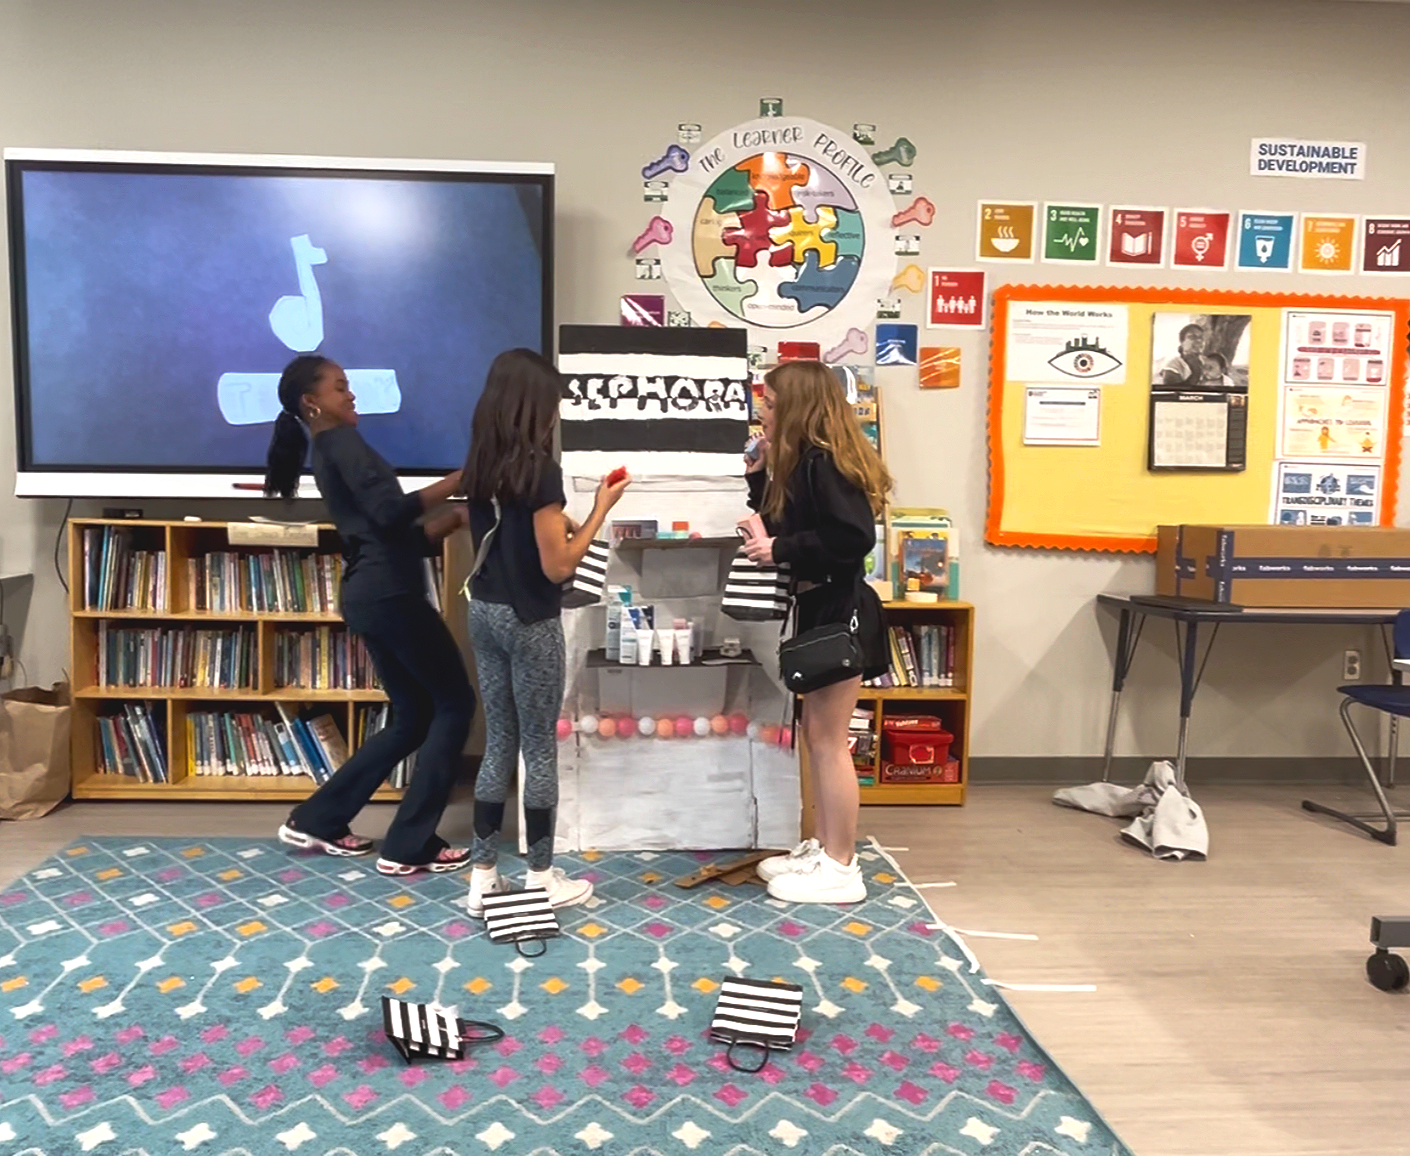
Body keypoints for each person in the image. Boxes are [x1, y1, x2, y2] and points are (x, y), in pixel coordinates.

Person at [266, 354, 475, 876]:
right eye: (341, 388)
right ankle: (410, 843)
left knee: (412, 716)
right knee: (453, 703)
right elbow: (389, 512)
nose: (351, 394)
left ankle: (318, 817)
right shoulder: (342, 442)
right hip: (390, 596)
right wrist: (463, 478)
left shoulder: (330, 447)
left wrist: (452, 520)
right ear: (312, 402)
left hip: (371, 593)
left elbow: (388, 531)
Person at [459, 349, 631, 914]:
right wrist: (601, 511)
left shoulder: (482, 461)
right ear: (534, 405)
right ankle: (540, 877)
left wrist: (562, 522)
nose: (557, 412)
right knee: (538, 748)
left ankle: (482, 877)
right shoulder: (539, 469)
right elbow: (558, 567)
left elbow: (511, 534)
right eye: (554, 401)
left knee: (499, 743)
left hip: (483, 610)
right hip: (530, 618)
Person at [742, 360, 892, 904]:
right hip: (822, 608)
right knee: (817, 738)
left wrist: (779, 549)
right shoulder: (806, 464)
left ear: (799, 407)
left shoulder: (824, 464)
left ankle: (842, 865)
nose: (764, 412)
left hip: (839, 608)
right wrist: (759, 477)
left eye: (773, 405)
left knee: (830, 743)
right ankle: (825, 847)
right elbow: (789, 523)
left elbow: (852, 537)